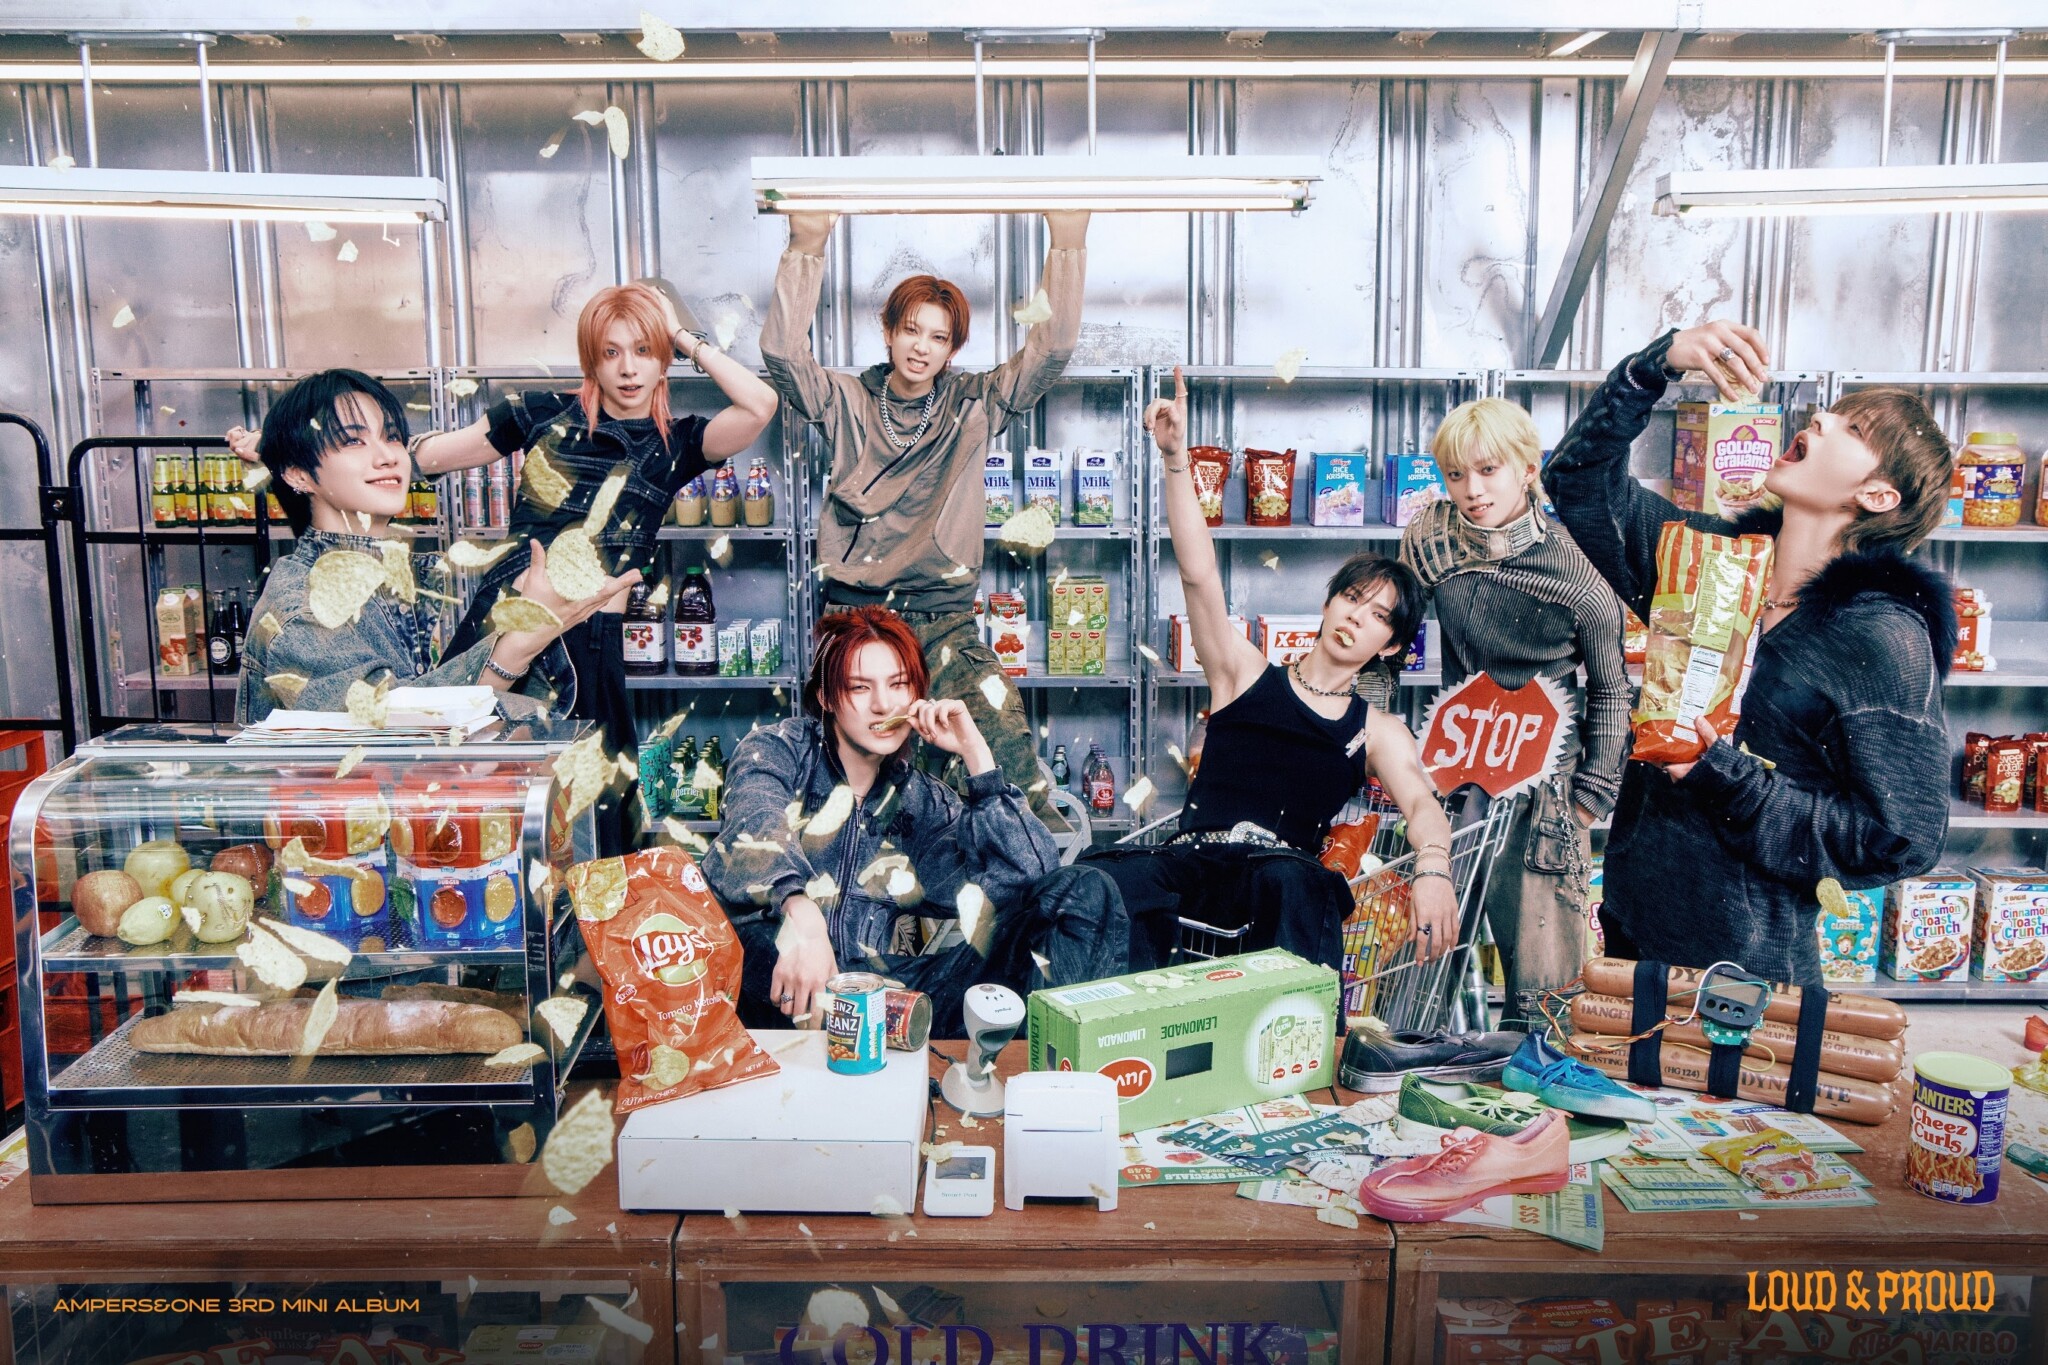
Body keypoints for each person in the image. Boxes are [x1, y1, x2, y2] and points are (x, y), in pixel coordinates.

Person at [1543, 321, 1956, 986]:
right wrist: (1657, 363)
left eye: (1852, 430)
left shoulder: (1882, 638)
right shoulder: (1710, 565)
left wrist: (1731, 780)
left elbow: (1901, 838)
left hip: (1746, 972)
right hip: (1631, 925)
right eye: (1829, 412)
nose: (1819, 419)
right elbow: (1577, 481)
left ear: (1878, 496)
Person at [233, 282, 778, 755]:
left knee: (588, 787)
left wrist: (683, 333)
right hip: (511, 612)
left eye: (644, 349)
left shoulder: (674, 443)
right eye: (610, 351)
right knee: (483, 764)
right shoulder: (540, 412)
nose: (629, 367)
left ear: (664, 359)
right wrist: (289, 450)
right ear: (591, 359)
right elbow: (422, 459)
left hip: (592, 630)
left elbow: (760, 405)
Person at [1081, 367, 1460, 974]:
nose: (1357, 617)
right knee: (1091, 884)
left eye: (1378, 617)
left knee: (1297, 883)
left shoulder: (1377, 730)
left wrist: (1435, 870)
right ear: (1328, 601)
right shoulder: (1243, 673)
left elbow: (1420, 802)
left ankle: (1295, 1057)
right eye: (1351, 598)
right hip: (1195, 862)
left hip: (1279, 883)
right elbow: (1200, 575)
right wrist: (1175, 461)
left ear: (1390, 647)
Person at [758, 210, 1091, 827]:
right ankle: (869, 909)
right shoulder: (845, 400)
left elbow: (1053, 350)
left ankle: (1021, 903)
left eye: (938, 338)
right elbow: (780, 351)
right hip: (854, 616)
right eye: (911, 330)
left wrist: (1067, 242)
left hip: (945, 618)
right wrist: (808, 243)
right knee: (858, 786)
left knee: (1005, 761)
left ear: (953, 348)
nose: (922, 347)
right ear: (888, 331)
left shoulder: (976, 403)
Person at [700, 606, 1127, 1038]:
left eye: (898, 685)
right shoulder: (779, 750)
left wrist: (977, 757)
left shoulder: (924, 800)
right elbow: (752, 829)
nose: (883, 704)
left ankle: (1058, 1077)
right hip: (776, 990)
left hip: (878, 997)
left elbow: (1028, 878)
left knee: (1085, 890)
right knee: (758, 946)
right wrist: (802, 916)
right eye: (859, 687)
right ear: (827, 697)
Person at [1399, 398, 1630, 1029]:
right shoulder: (1429, 538)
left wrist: (1589, 800)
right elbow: (1385, 640)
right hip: (1455, 775)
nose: (1471, 492)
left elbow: (1612, 690)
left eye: (1489, 471)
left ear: (1528, 469)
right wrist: (1371, 738)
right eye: (1455, 475)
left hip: (1549, 786)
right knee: (1422, 967)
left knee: (1544, 989)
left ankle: (1539, 1095)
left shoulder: (1577, 568)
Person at [230, 369, 631, 725]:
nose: (387, 456)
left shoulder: (381, 584)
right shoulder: (306, 607)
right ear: (299, 474)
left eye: (391, 436)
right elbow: (394, 737)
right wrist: (524, 641)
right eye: (353, 442)